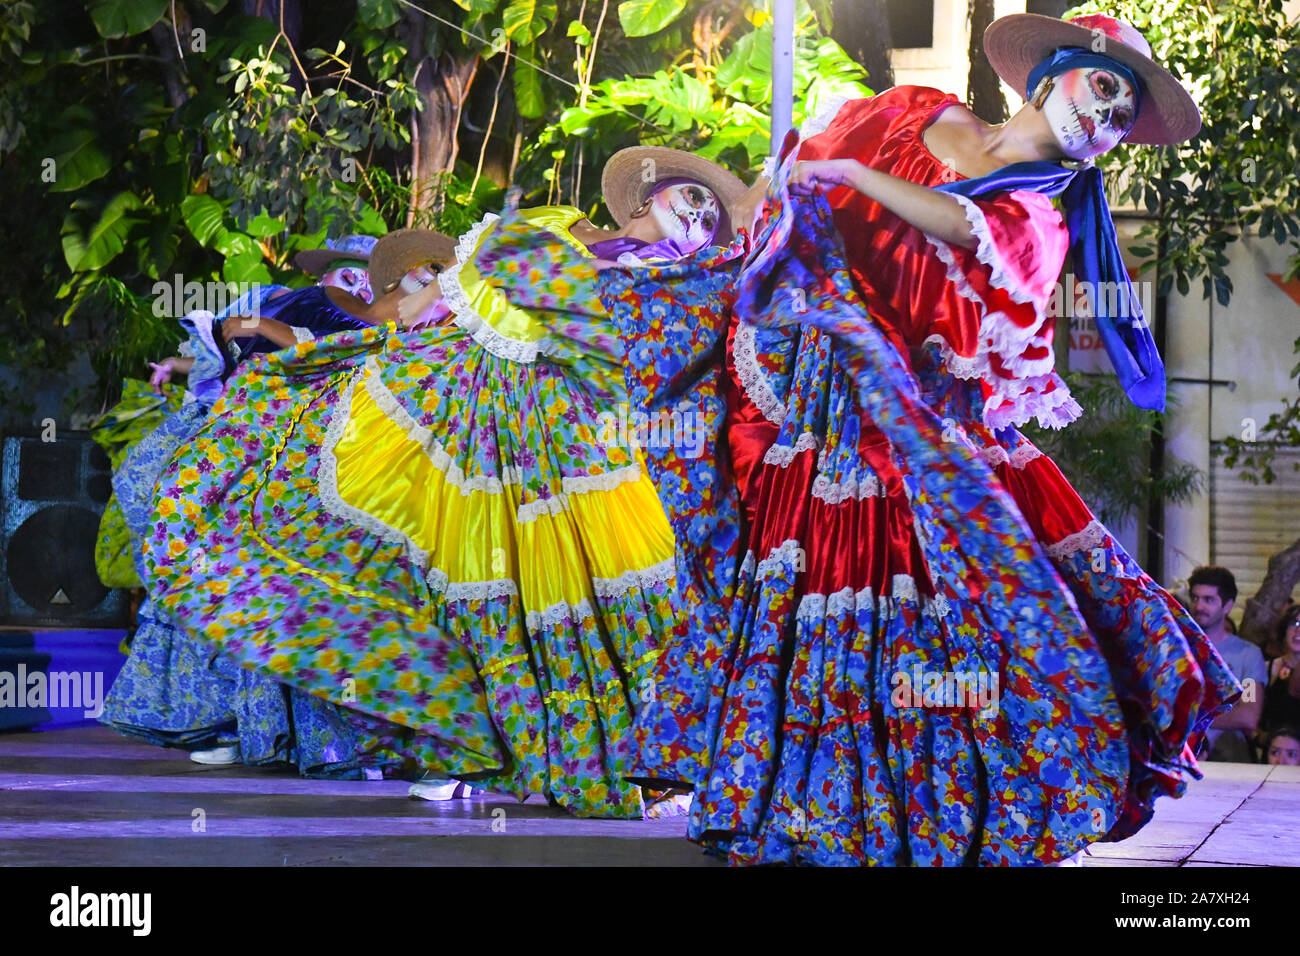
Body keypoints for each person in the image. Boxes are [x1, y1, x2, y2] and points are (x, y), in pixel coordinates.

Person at [479, 12, 1239, 864]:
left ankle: (911, 811)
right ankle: (797, 806)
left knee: (928, 626)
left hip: (919, 441)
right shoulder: (913, 110)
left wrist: (849, 175)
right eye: (1105, 90)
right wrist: (776, 203)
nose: (1106, 122)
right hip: (823, 411)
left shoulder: (1042, 219)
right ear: (1051, 74)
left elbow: (955, 223)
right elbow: (789, 190)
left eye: (1122, 119)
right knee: (795, 592)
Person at [142, 149, 749, 816]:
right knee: (438, 581)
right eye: (691, 199)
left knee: (579, 599)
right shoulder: (547, 223)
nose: (698, 218)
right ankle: (454, 746)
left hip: (562, 453)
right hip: (458, 424)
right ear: (645, 197)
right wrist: (308, 345)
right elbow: (415, 311)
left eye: (710, 219)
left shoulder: (663, 287)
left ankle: (632, 760)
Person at [99, 230, 455, 775]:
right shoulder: (319, 301)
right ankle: (246, 725)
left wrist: (269, 331)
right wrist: (244, 335)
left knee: (306, 596)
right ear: (399, 272)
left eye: (439, 276)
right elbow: (250, 344)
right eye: (426, 271)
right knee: (228, 575)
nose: (434, 283)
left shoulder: (425, 335)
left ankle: (340, 739)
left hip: (341, 479)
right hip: (263, 458)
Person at [1188, 566, 1264, 762]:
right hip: (1180, 754)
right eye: (1195, 598)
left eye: (1209, 600)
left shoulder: (1248, 655)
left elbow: (1248, 714)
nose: (1199, 606)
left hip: (1229, 757)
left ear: (1228, 606)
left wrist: (1192, 718)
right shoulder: (1175, 648)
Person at [1260, 602, 1300, 747]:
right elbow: (1247, 700)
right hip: (1272, 750)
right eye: (1294, 623)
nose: (1298, 630)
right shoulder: (1262, 667)